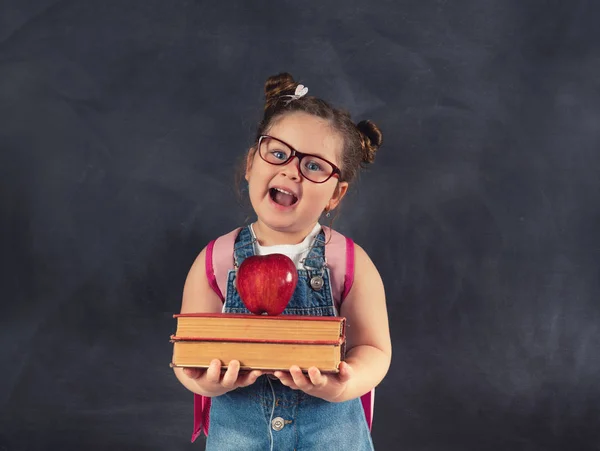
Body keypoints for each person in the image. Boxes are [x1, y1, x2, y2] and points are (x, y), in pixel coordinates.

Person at [173, 72, 391, 450]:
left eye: (314, 166)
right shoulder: (216, 259)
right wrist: (203, 380)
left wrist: (346, 382)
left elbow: (374, 348)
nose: (291, 169)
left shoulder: (349, 261)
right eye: (278, 153)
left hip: (331, 433)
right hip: (239, 434)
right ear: (249, 165)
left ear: (335, 194)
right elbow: (189, 348)